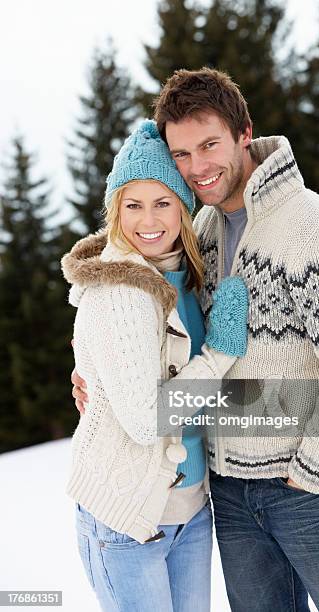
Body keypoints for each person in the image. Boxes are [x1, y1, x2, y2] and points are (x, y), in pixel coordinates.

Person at [72, 68, 319, 611]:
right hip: (225, 491)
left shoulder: (314, 230)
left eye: (210, 144)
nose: (197, 167)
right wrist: (97, 377)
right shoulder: (203, 232)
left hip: (302, 490)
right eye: (181, 154)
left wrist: (312, 471)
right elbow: (142, 313)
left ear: (244, 132)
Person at [61, 119, 248, 612]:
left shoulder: (181, 275)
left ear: (184, 210)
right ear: (115, 210)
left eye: (163, 202)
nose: (149, 219)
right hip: (129, 518)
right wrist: (220, 355)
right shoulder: (122, 291)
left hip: (190, 508)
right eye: (133, 204)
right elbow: (148, 420)